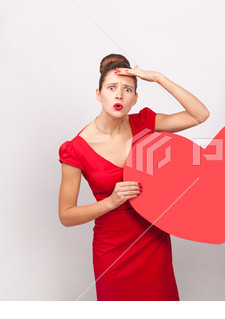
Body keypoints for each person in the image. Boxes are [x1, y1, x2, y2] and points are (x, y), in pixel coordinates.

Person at [58, 54, 209, 301]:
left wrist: (159, 78)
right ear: (98, 94)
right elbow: (66, 215)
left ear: (135, 98)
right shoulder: (75, 149)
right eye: (111, 88)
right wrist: (111, 201)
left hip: (153, 243)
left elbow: (199, 115)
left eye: (127, 89)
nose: (119, 95)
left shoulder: (144, 123)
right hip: (112, 252)